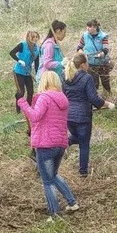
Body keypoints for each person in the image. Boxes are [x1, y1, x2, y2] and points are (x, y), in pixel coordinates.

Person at [17, 72, 79, 219]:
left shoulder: (45, 98)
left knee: (47, 181)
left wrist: (21, 102)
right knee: (53, 175)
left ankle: (54, 213)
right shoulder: (63, 98)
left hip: (45, 144)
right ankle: (72, 202)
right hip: (60, 144)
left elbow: (34, 116)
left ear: (43, 81)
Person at [63, 54, 115, 178]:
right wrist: (107, 104)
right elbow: (94, 98)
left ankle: (64, 144)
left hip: (69, 115)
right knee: (84, 144)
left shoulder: (66, 77)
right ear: (82, 65)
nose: (89, 65)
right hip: (83, 117)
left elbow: (64, 95)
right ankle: (83, 172)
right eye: (87, 63)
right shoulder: (87, 78)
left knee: (76, 136)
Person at [76, 19, 112, 94]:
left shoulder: (103, 36)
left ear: (95, 27)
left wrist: (101, 54)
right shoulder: (85, 35)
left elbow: (106, 49)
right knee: (93, 83)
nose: (87, 28)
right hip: (90, 64)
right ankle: (95, 99)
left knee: (105, 81)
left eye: (89, 26)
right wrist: (83, 54)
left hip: (102, 63)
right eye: (87, 26)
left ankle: (108, 95)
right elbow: (79, 48)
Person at [9, 31, 40, 113]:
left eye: (36, 37)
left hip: (27, 72)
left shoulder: (37, 49)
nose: (35, 39)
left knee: (30, 92)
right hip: (19, 71)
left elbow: (37, 63)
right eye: (33, 37)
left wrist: (37, 75)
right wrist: (19, 60)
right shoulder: (22, 45)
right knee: (21, 92)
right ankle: (18, 109)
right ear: (28, 37)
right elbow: (11, 53)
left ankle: (28, 110)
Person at [36, 20, 66, 84]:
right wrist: (61, 63)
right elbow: (47, 63)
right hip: (47, 80)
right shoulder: (49, 45)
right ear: (58, 31)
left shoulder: (55, 44)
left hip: (53, 78)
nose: (65, 35)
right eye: (64, 32)